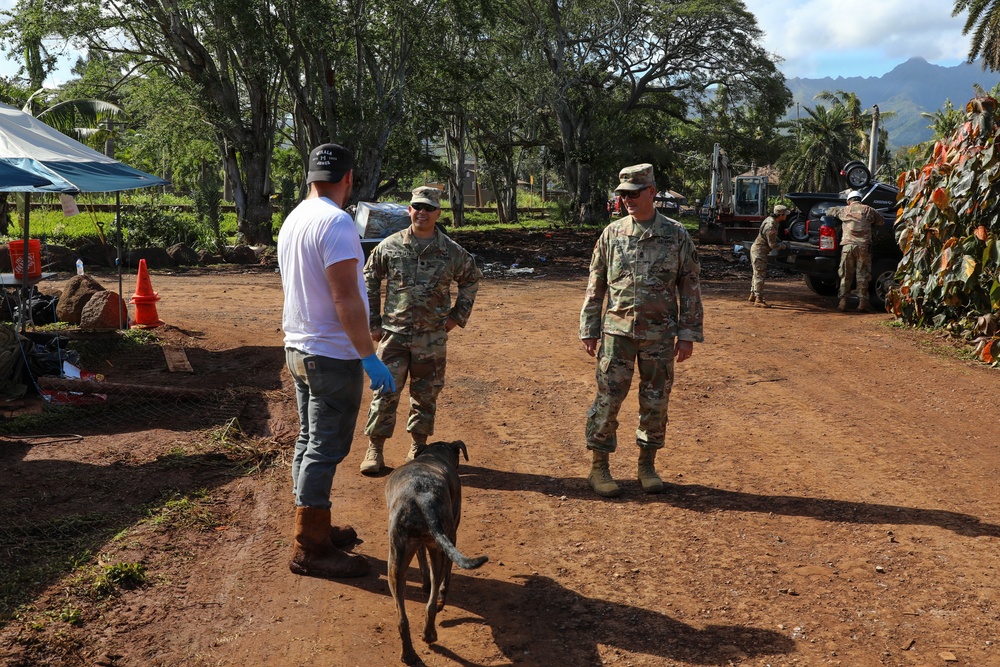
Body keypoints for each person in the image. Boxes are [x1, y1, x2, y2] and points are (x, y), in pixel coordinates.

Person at [278, 142, 396, 578]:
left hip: (298, 348)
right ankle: (311, 547)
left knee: (308, 442)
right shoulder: (337, 222)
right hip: (330, 354)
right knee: (325, 449)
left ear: (311, 177)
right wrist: (369, 356)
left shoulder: (294, 219)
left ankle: (314, 528)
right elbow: (345, 296)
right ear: (348, 179)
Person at [580, 163, 704, 498]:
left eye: (634, 193)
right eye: (623, 195)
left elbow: (689, 286)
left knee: (655, 401)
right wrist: (589, 326)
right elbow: (596, 284)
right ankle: (599, 467)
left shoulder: (676, 235)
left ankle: (646, 464)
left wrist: (689, 333)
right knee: (608, 399)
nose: (627, 200)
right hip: (616, 334)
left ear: (651, 192)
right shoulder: (612, 234)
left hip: (660, 335)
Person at [359, 186, 482, 474]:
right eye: (417, 206)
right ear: (409, 210)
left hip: (431, 338)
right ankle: (375, 448)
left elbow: (471, 280)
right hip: (394, 335)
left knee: (425, 395)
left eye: (428, 208)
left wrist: (456, 318)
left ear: (438, 213)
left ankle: (418, 446)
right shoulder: (389, 246)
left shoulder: (451, 251)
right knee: (385, 393)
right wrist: (373, 322)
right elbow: (370, 279)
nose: (422, 212)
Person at [827, 190, 885, 312]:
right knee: (862, 275)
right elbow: (881, 221)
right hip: (864, 247)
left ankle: (843, 303)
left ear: (849, 201)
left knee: (845, 274)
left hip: (848, 247)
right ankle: (862, 304)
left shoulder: (843, 210)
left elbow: (828, 211)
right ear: (860, 199)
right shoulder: (869, 210)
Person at [748, 204, 790, 307]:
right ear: (781, 215)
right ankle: (759, 299)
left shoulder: (772, 221)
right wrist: (784, 246)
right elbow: (773, 244)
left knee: (756, 273)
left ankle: (753, 295)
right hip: (759, 251)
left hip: (758, 250)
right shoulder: (771, 225)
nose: (786, 216)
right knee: (760, 275)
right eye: (785, 214)